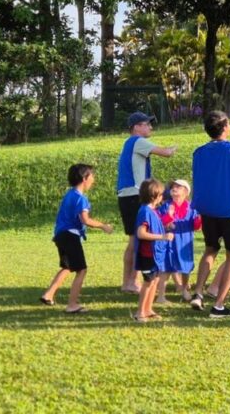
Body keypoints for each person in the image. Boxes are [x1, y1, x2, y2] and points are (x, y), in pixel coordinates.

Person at [189, 111, 230, 319]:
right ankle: (219, 305)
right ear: (225, 127)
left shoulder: (198, 152)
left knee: (211, 249)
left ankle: (197, 293)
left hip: (207, 208)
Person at [40, 164, 114, 312]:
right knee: (81, 270)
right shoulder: (81, 198)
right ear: (84, 178)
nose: (93, 179)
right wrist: (103, 226)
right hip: (70, 236)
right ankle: (72, 305)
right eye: (92, 176)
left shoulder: (70, 194)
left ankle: (48, 295)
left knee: (68, 267)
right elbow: (85, 220)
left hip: (61, 235)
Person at [116, 112, 176, 294]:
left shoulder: (129, 143)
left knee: (133, 240)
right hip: (135, 195)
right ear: (136, 127)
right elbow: (166, 153)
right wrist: (174, 148)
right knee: (137, 240)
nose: (150, 127)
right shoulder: (138, 141)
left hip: (127, 196)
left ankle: (128, 282)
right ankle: (131, 282)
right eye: (147, 124)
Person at [133, 179, 173, 322]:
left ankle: (148, 309)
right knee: (148, 282)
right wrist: (162, 236)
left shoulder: (152, 211)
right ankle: (140, 313)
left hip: (156, 255)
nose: (162, 197)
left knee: (155, 281)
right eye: (161, 195)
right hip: (147, 255)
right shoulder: (145, 211)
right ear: (154, 196)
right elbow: (141, 233)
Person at [156, 179, 201, 303]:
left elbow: (196, 227)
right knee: (165, 268)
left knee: (186, 268)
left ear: (186, 192)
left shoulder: (191, 208)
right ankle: (161, 296)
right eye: (173, 187)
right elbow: (160, 223)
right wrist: (169, 216)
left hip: (184, 243)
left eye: (179, 187)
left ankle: (184, 288)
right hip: (168, 243)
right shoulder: (166, 206)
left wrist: (199, 219)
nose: (174, 189)